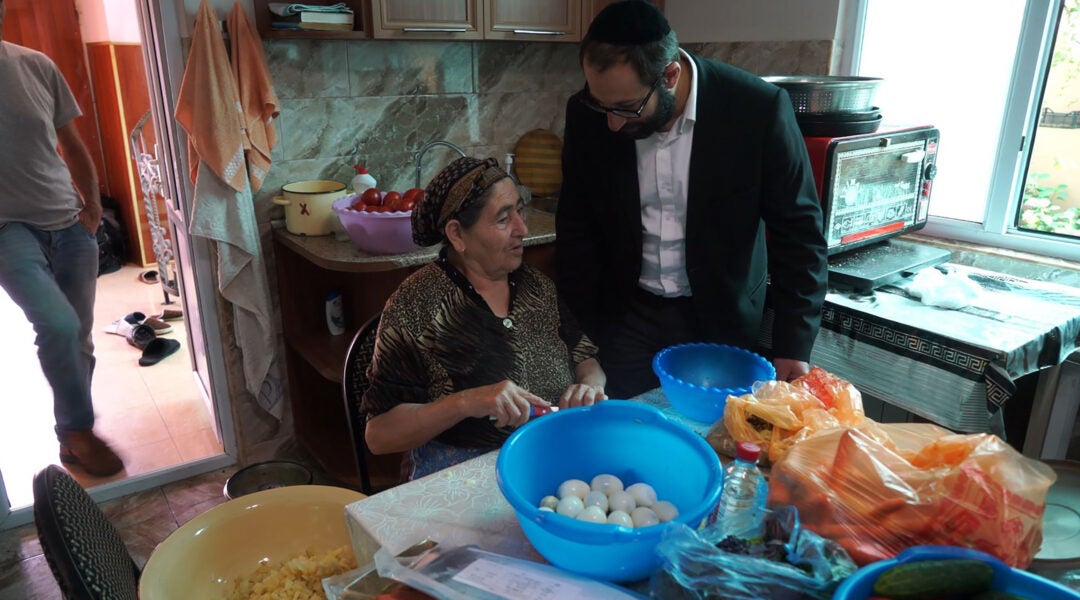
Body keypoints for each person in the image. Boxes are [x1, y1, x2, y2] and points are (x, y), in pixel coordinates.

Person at [556, 0, 828, 398]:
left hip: (721, 319)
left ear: (669, 75)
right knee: (633, 431)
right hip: (626, 317)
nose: (611, 123)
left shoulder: (756, 109)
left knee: (717, 437)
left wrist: (793, 343)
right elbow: (576, 227)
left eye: (626, 108)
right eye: (603, 106)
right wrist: (584, 338)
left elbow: (799, 233)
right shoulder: (590, 114)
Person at [362, 156, 607, 480]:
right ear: (457, 234)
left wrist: (589, 386)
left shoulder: (535, 285)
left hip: (552, 456)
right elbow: (379, 436)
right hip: (466, 475)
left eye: (520, 210)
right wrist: (466, 402)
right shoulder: (417, 303)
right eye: (504, 219)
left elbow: (585, 358)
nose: (523, 229)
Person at [0, 0, 123, 477]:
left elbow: (72, 144)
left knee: (82, 337)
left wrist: (91, 208)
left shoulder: (35, 65)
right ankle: (78, 430)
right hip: (8, 228)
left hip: (68, 221)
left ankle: (70, 438)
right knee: (59, 326)